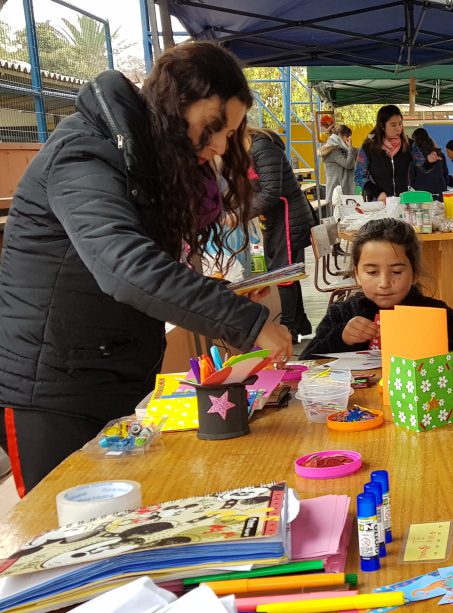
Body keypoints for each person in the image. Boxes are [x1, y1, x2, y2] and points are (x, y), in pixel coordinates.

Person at [0, 42, 292, 494]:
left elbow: (144, 263)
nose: (218, 144)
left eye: (229, 133)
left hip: (111, 375)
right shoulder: (85, 154)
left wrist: (211, 294)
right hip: (53, 393)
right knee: (62, 539)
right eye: (213, 126)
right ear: (174, 102)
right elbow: (124, 266)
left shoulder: (140, 157)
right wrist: (242, 322)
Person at [301, 218, 453, 358]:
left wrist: (433, 338)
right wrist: (341, 337)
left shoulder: (437, 313)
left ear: (415, 274)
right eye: (372, 272)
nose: (384, 283)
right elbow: (307, 362)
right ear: (357, 274)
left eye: (396, 271)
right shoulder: (342, 313)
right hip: (359, 397)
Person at [248, 127, 318, 341]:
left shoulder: (261, 146)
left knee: (284, 274)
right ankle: (298, 323)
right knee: (288, 272)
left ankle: (288, 328)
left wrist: (239, 213)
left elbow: (270, 192)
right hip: (276, 219)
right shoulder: (248, 150)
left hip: (288, 217)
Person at [355, 105, 424, 202]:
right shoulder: (368, 147)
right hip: (379, 204)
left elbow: (423, 166)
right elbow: (359, 176)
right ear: (382, 126)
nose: (398, 128)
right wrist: (378, 192)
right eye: (393, 125)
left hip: (402, 203)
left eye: (400, 124)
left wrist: (430, 160)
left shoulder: (410, 145)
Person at [319, 124, 356, 209]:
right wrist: (350, 148)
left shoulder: (338, 147)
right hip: (337, 192)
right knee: (338, 219)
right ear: (340, 135)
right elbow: (348, 164)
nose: (348, 140)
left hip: (341, 189)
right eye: (347, 136)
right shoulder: (333, 149)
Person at [409, 128, 448, 199]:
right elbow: (445, 174)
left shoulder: (414, 156)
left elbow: (410, 178)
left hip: (421, 195)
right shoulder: (439, 155)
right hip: (439, 193)